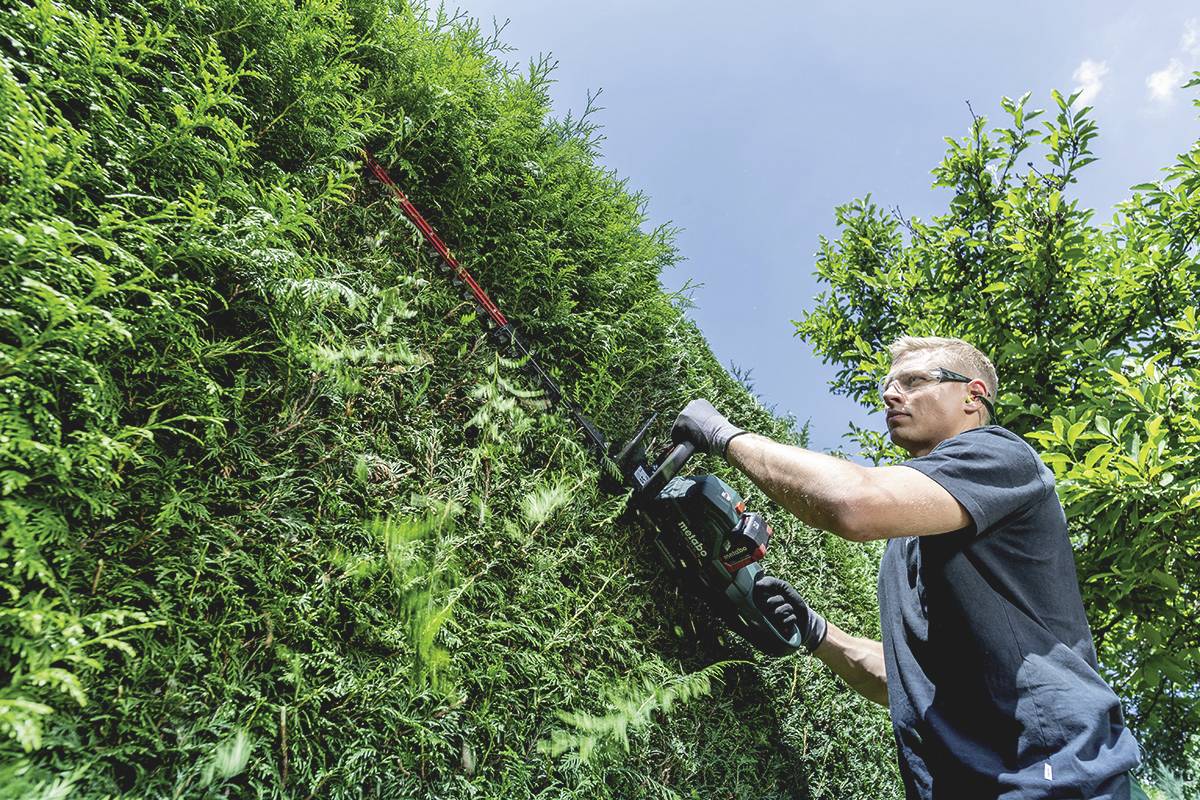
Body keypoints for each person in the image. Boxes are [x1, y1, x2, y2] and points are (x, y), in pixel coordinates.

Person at [671, 336, 1143, 800]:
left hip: (1060, 776)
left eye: (915, 381)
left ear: (973, 396)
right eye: (887, 388)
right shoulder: (909, 541)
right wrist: (816, 632)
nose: (892, 395)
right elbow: (904, 683)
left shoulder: (1001, 456)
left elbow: (851, 504)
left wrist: (723, 435)